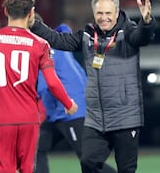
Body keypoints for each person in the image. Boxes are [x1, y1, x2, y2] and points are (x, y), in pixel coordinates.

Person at [30, 0, 155, 173]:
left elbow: (142, 38)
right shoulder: (87, 36)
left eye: (108, 13)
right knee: (88, 162)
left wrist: (146, 23)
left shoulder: (128, 32)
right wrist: (33, 24)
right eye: (100, 13)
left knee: (126, 169)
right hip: (96, 118)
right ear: (94, 14)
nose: (104, 18)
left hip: (124, 116)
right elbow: (58, 39)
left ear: (117, 12)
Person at [0, 0, 78, 173]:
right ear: (31, 13)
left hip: (0, 122)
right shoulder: (40, 44)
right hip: (29, 121)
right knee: (27, 169)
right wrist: (68, 103)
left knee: (1, 169)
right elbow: (53, 82)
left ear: (6, 11)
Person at [35, 23, 117, 173]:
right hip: (63, 112)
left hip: (72, 112)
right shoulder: (60, 42)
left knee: (89, 161)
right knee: (36, 147)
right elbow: (64, 26)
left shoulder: (43, 53)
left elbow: (41, 87)